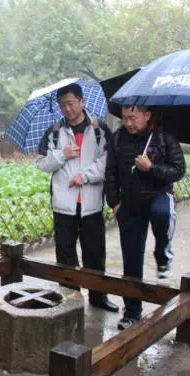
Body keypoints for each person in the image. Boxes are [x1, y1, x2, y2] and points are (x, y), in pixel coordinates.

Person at [36, 83, 118, 313]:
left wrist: (85, 176)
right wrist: (62, 155)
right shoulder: (54, 132)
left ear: (82, 102)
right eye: (62, 105)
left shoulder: (99, 129)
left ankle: (98, 296)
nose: (67, 109)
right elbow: (42, 164)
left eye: (71, 103)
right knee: (65, 254)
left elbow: (108, 161)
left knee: (95, 253)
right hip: (64, 205)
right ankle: (70, 299)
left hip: (91, 203)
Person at [105, 105, 185, 330]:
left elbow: (178, 170)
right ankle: (132, 312)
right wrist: (115, 203)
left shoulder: (164, 137)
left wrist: (151, 168)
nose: (128, 123)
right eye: (124, 118)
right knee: (131, 260)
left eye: (133, 118)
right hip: (130, 202)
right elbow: (110, 172)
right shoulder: (118, 138)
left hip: (158, 195)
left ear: (147, 115)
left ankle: (163, 254)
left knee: (162, 214)